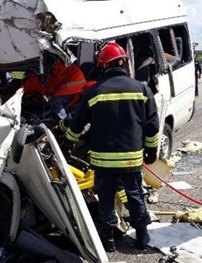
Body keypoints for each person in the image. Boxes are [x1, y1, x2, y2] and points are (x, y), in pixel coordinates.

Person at [61, 43, 160, 252]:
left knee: (105, 199)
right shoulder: (142, 89)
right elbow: (152, 125)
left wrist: (67, 142)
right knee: (134, 194)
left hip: (103, 160)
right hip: (131, 159)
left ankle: (108, 242)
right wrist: (151, 151)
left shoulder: (95, 91)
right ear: (124, 62)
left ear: (103, 66)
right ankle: (142, 237)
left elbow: (77, 123)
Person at [22, 59, 87, 126]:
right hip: (75, 80)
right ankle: (61, 122)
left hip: (73, 82)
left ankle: (65, 123)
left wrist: (23, 93)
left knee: (55, 101)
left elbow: (45, 88)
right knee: (53, 103)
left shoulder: (36, 74)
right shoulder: (43, 66)